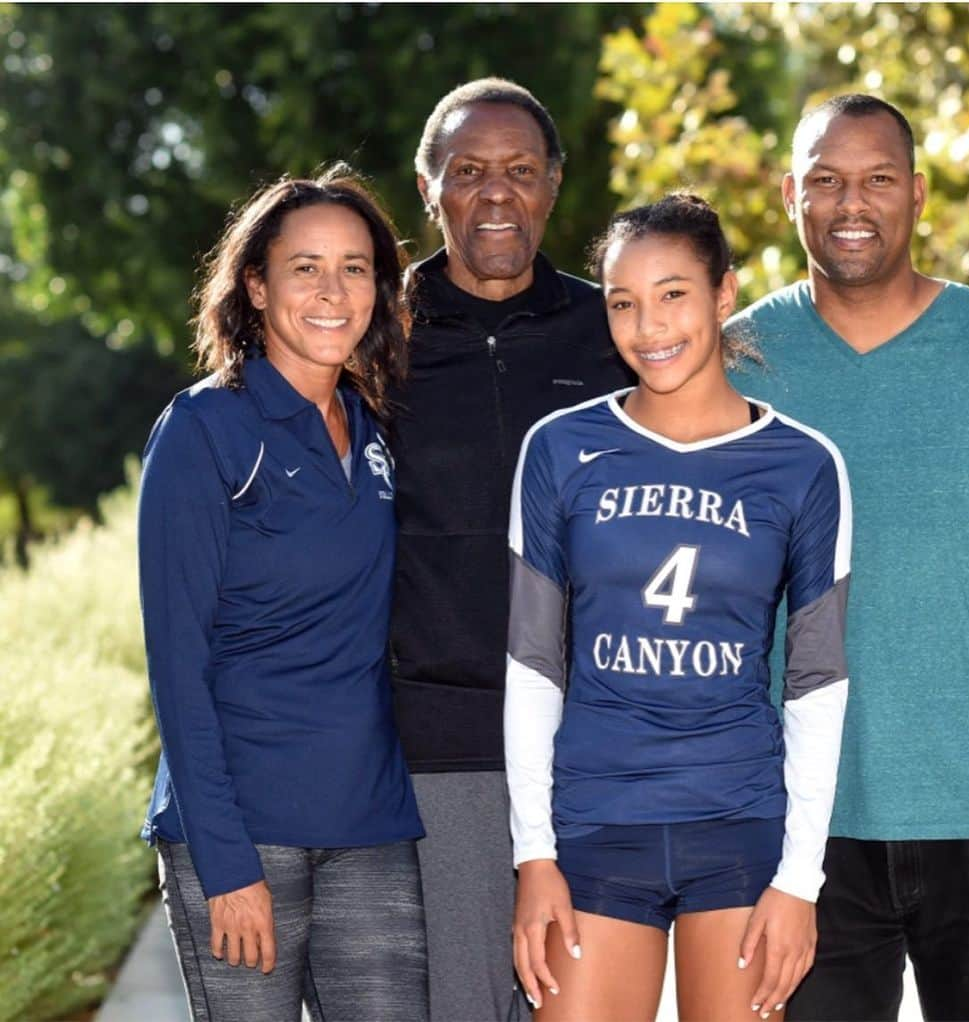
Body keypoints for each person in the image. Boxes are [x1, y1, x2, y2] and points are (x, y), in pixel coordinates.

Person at [726, 94, 969, 1021]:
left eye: (879, 179)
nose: (853, 203)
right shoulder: (735, 366)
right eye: (827, 180)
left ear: (918, 194)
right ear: (789, 193)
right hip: (802, 827)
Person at [505, 193, 852, 1022]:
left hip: (736, 824)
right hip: (593, 823)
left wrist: (799, 880)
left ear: (724, 294)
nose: (648, 325)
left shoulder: (804, 466)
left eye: (673, 295)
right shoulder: (560, 449)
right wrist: (533, 856)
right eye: (623, 303)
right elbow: (531, 666)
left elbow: (816, 687)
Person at [137, 166, 428, 1022]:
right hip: (240, 828)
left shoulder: (372, 429)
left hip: (370, 820)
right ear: (257, 286)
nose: (333, 292)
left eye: (355, 266)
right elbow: (177, 665)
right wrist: (227, 867)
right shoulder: (204, 427)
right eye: (305, 268)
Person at [388, 77, 634, 1022]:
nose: (497, 193)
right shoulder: (377, 333)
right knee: (466, 1003)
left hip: (594, 744)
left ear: (555, 185)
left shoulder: (610, 329)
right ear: (428, 187)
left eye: (520, 171)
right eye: (469, 171)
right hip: (440, 748)